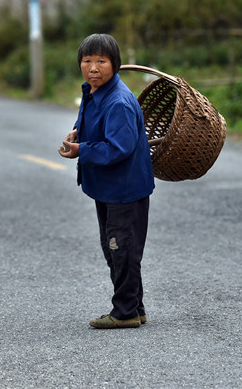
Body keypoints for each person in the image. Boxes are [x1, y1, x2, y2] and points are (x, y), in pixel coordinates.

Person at [58, 33, 155, 329]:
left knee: (120, 247)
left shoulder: (118, 102)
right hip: (109, 188)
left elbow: (118, 148)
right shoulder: (92, 91)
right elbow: (88, 117)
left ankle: (125, 312)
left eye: (102, 61)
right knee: (116, 247)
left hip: (124, 189)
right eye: (87, 61)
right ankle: (134, 307)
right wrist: (77, 132)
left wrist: (80, 151)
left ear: (115, 64)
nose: (93, 68)